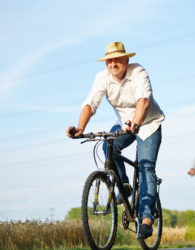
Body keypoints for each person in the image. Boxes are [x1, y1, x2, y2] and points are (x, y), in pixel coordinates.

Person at [66, 41, 165, 239]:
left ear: (126, 60)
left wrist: (136, 124)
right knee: (107, 146)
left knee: (146, 167)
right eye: (109, 61)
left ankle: (146, 219)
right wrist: (80, 128)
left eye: (118, 59)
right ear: (106, 64)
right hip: (124, 124)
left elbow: (143, 101)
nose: (113, 63)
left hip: (148, 124)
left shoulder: (138, 72)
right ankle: (124, 185)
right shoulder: (102, 78)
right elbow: (90, 103)